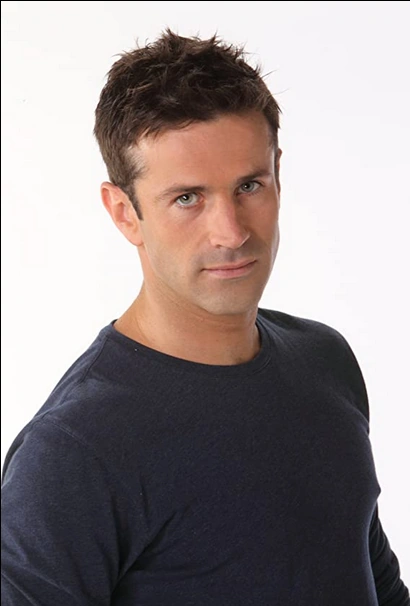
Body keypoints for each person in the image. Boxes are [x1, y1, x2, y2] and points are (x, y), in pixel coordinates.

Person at [1, 29, 409, 606]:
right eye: (187, 198)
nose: (232, 232)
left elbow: (375, 581)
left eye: (249, 186)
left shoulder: (325, 360)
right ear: (124, 212)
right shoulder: (75, 452)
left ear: (278, 174)